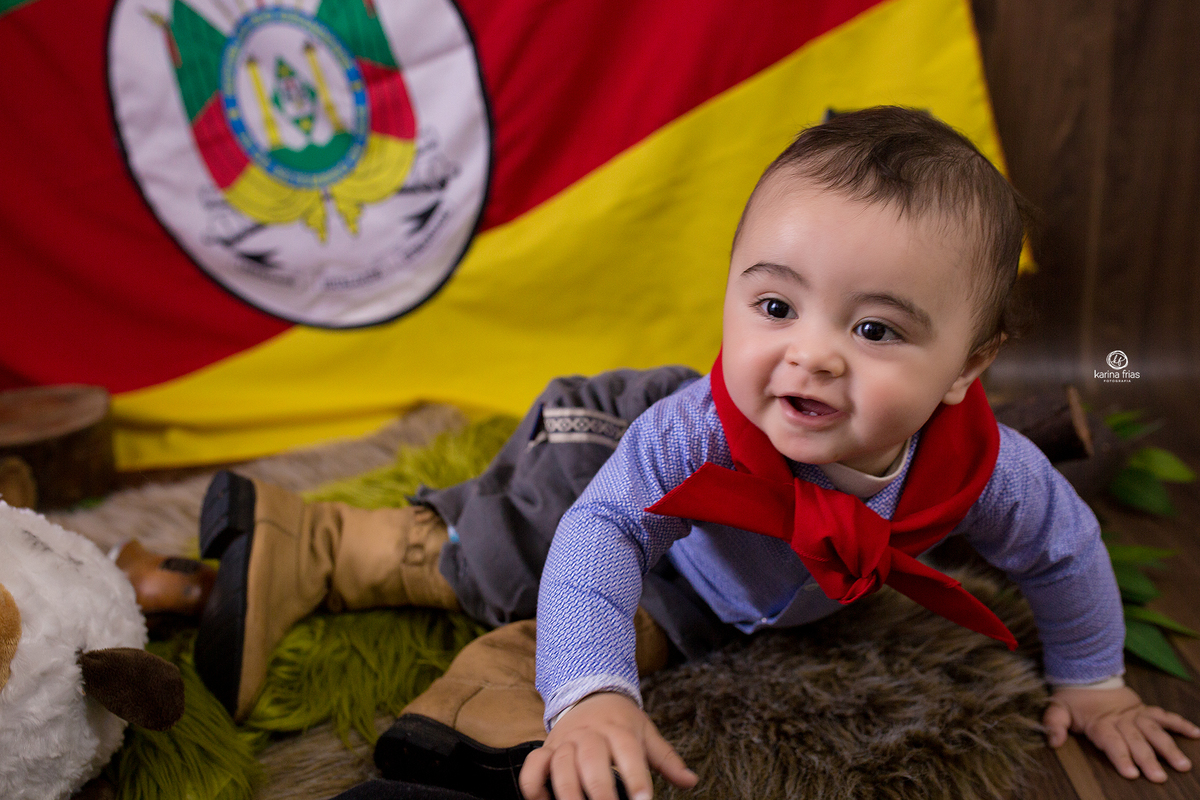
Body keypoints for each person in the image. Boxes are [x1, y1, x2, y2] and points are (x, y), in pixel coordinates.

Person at [166, 107, 1196, 800]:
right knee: (512, 555)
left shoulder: (990, 470)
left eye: (877, 330)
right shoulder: (691, 430)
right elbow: (602, 532)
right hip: (604, 452)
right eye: (776, 303)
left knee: (645, 626)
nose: (810, 353)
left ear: (970, 367)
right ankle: (322, 539)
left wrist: (1095, 676)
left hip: (713, 581)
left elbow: (1064, 552)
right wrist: (594, 689)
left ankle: (486, 697)